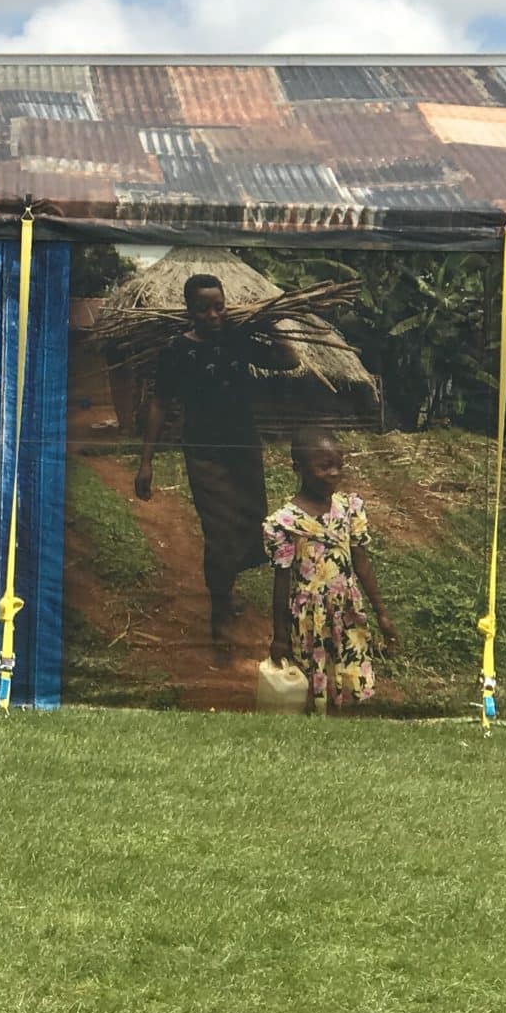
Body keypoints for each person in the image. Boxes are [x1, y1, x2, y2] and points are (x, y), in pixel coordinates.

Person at [134, 274, 303, 666]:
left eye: (219, 306)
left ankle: (226, 591)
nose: (213, 314)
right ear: (189, 311)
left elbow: (289, 360)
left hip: (243, 447)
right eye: (204, 308)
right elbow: (159, 403)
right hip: (204, 451)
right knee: (218, 529)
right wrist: (147, 461)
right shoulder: (176, 351)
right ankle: (220, 612)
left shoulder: (237, 339)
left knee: (249, 524)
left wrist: (267, 323)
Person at [266, 430, 396, 708]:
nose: (334, 473)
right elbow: (282, 580)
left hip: (347, 609)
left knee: (352, 677)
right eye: (324, 467)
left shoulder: (349, 509)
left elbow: (361, 562)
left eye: (339, 466)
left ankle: (348, 728)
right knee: (315, 682)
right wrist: (279, 636)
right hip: (310, 619)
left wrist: (381, 613)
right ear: (298, 469)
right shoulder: (286, 523)